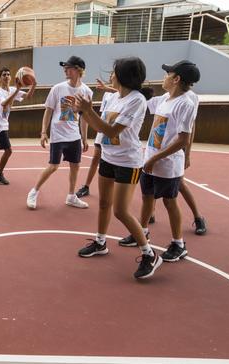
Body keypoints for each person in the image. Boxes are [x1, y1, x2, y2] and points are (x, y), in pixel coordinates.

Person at [74, 57, 162, 280]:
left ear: (122, 76)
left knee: (120, 211)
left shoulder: (137, 101)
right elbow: (100, 128)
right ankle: (101, 242)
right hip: (109, 157)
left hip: (128, 162)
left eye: (113, 72)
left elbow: (112, 131)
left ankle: (149, 254)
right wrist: (83, 111)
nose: (110, 75)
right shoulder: (113, 97)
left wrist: (87, 110)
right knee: (104, 203)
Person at [118, 60, 201, 262]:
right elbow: (143, 103)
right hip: (151, 161)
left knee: (169, 202)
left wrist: (155, 157)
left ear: (176, 79)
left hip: (167, 165)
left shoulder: (185, 104)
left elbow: (183, 139)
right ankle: (143, 231)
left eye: (167, 74)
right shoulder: (165, 98)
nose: (163, 77)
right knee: (147, 197)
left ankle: (178, 244)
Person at [25, 56, 92, 210]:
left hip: (74, 135)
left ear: (78, 70)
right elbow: (48, 111)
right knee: (54, 166)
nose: (65, 70)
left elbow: (85, 117)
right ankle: (34, 191)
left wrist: (84, 138)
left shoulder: (86, 91)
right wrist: (43, 132)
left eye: (68, 67)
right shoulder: (58, 88)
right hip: (58, 135)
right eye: (64, 67)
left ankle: (71, 196)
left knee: (75, 166)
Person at [0, 67, 36, 184]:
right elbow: (4, 103)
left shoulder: (14, 89)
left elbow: (28, 96)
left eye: (8, 74)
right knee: (8, 150)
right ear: (0, 79)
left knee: (0, 145)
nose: (6, 76)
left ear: (11, 77)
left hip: (4, 123)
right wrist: (16, 91)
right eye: (4, 74)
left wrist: (34, 84)